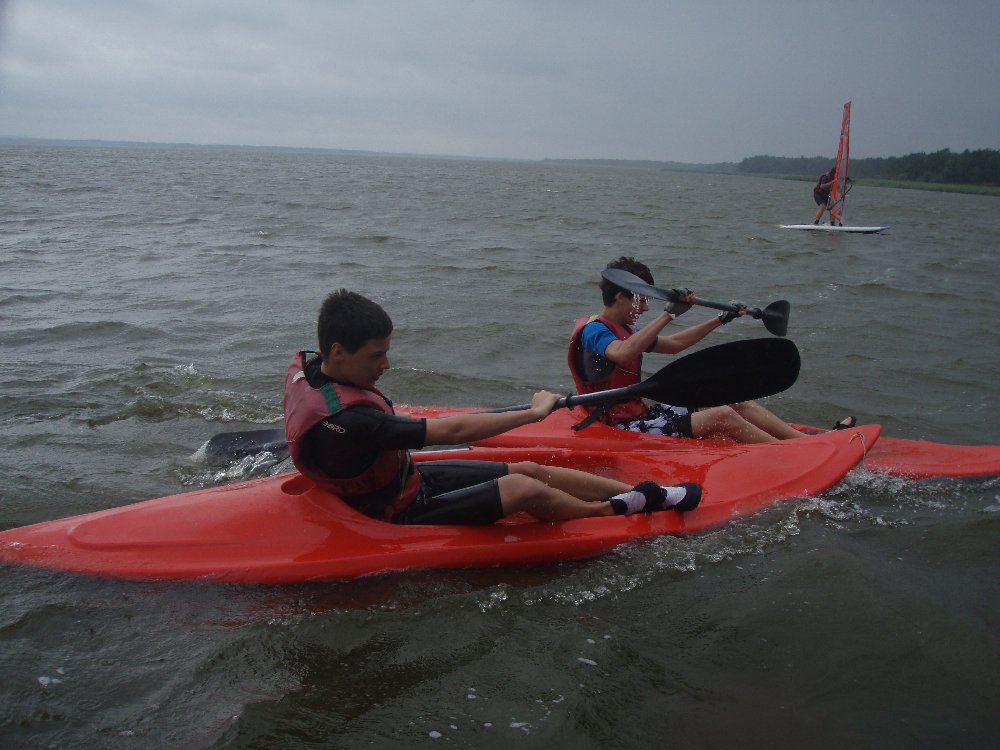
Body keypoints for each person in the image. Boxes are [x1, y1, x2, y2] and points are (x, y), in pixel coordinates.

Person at [282, 289, 701, 525]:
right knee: (523, 489)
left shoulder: (314, 370)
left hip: (404, 480)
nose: (387, 365)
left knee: (528, 469)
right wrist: (535, 413)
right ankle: (614, 509)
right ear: (337, 350)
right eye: (376, 356)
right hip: (393, 509)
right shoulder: (352, 419)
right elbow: (452, 432)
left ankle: (643, 491)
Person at [568, 257, 854, 444]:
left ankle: (807, 442)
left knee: (735, 400)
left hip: (640, 415)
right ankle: (796, 453)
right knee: (722, 416)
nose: (644, 308)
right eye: (641, 300)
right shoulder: (595, 330)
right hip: (618, 427)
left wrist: (720, 319)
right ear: (620, 297)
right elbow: (621, 354)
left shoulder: (627, 330)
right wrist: (669, 314)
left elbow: (674, 345)